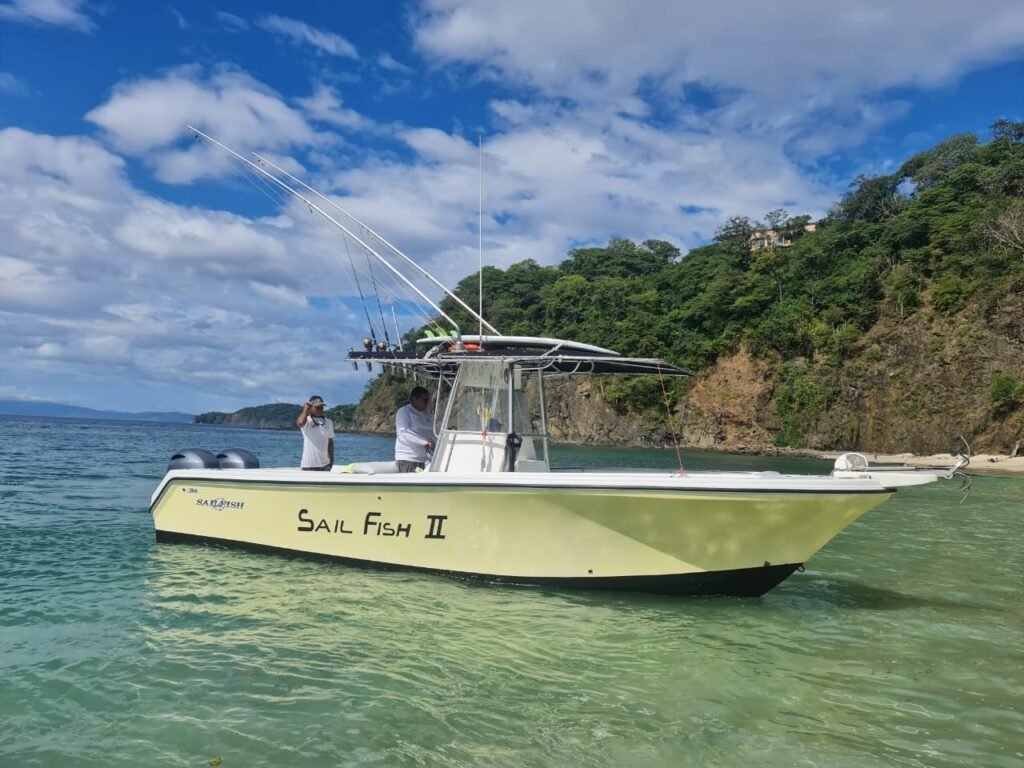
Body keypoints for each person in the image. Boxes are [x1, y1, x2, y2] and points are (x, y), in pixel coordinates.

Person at [395, 386, 436, 472]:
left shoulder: (429, 416)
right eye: (424, 400)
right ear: (413, 399)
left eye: (428, 400)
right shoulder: (404, 412)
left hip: (426, 461)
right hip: (408, 460)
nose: (427, 403)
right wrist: (425, 442)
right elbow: (404, 433)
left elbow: (433, 434)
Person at [297, 395, 334, 471]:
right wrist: (305, 409)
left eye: (321, 407)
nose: (320, 409)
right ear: (310, 407)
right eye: (317, 407)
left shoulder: (329, 422)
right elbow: (300, 423)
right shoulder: (307, 421)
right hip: (308, 465)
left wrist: (331, 461)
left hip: (325, 465)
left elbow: (330, 442)